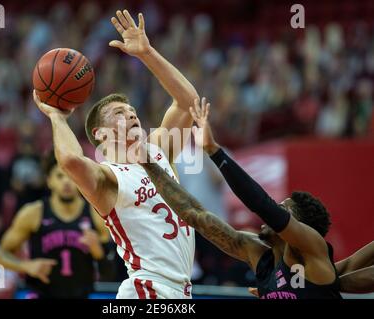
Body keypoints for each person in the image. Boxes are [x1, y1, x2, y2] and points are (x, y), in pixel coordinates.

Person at [33, 9, 199, 299]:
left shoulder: (159, 151)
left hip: (178, 292)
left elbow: (188, 103)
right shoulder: (108, 177)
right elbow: (71, 160)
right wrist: (56, 117)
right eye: (120, 113)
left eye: (132, 111)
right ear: (100, 134)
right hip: (147, 289)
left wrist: (147, 53)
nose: (132, 115)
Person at [140, 97, 343, 299]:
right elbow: (196, 216)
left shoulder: (311, 250)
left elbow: (260, 202)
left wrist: (214, 151)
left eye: (283, 209)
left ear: (301, 227)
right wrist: (147, 162)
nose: (275, 213)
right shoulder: (258, 254)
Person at [0, 151, 109, 298]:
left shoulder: (96, 214)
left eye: (71, 176)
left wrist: (98, 251)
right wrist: (26, 266)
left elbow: (109, 273)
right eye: (60, 176)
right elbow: (0, 257)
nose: (66, 182)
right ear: (49, 180)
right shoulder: (33, 213)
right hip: (41, 294)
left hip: (82, 295)